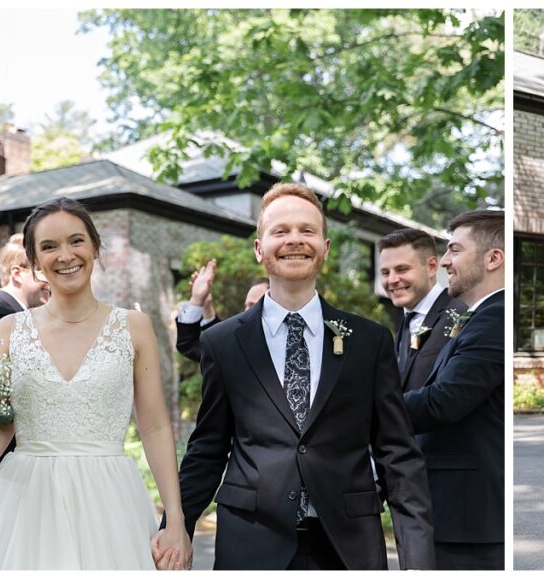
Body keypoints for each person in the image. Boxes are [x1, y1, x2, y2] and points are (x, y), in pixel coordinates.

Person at [177, 184, 434, 570]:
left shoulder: (368, 340)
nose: (295, 240)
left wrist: (417, 564)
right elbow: (208, 449)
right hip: (250, 542)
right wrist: (176, 526)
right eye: (280, 231)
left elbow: (397, 454)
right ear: (259, 249)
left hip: (347, 546)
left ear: (326, 249)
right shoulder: (222, 342)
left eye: (307, 230)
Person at [0, 198, 191, 570]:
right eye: (49, 247)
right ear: (35, 263)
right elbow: (2, 424)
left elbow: (154, 427)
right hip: (27, 501)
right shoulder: (9, 331)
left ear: (95, 248)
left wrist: (176, 520)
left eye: (76, 241)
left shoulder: (134, 328)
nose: (65, 255)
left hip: (110, 499)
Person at [407, 209, 509, 569]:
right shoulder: (481, 316)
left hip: (469, 518)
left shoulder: (496, 317)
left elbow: (442, 403)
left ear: (494, 258)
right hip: (456, 512)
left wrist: (362, 406)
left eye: (454, 250)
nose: (445, 261)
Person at [378, 228, 466, 393]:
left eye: (402, 269)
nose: (392, 280)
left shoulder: (460, 314)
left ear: (431, 266)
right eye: (385, 272)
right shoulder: (405, 323)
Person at [174, 260, 263, 364]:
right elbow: (190, 345)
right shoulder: (242, 348)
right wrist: (199, 301)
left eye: (253, 305)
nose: (247, 312)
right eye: (246, 306)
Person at [0, 233, 47, 328]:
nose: (51, 280)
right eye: (43, 271)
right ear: (17, 274)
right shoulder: (0, 314)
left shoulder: (4, 310)